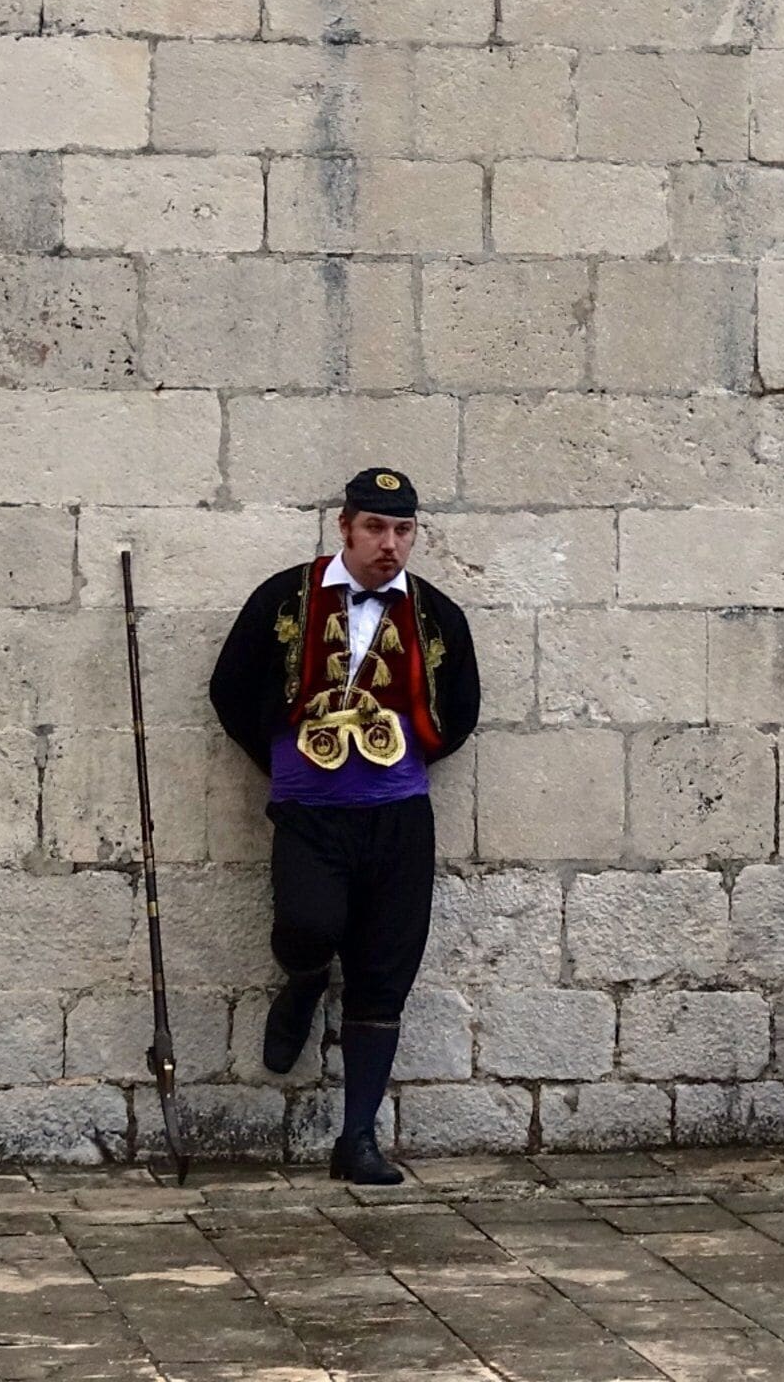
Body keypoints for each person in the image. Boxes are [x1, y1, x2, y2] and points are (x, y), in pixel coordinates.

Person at [208, 467, 483, 1185]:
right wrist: (281, 761)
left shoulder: (436, 614)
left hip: (398, 815)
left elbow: (462, 708)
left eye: (403, 530)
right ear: (346, 527)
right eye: (376, 529)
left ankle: (357, 1140)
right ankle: (301, 981)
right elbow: (230, 687)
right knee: (309, 923)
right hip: (311, 811)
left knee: (385, 967)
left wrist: (396, 764)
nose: (390, 545)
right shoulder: (284, 598)